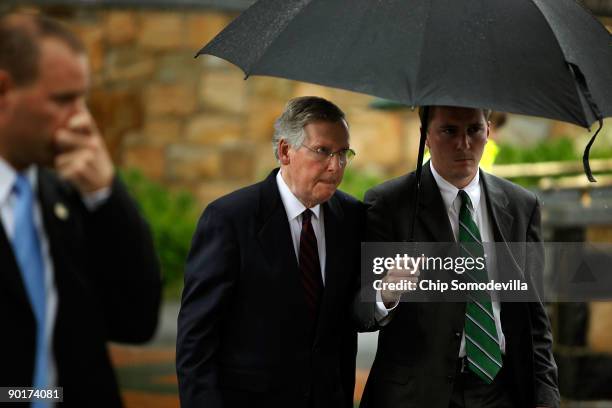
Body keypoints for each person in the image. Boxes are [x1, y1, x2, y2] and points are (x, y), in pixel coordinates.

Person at [0, 13, 161, 407]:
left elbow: (135, 320)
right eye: (63, 100)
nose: (82, 119)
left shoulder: (65, 195)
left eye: (82, 98)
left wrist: (106, 196)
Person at [356, 106, 559, 408]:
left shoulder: (521, 206)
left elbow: (535, 321)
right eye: (449, 131)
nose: (463, 143)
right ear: (425, 135)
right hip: (419, 394)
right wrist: (384, 294)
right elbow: (359, 311)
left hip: (502, 390)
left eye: (474, 130)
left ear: (488, 130)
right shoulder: (388, 204)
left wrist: (546, 398)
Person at [177, 96, 364, 408]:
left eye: (344, 153)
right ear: (285, 151)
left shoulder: (352, 217)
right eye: (323, 151)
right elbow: (196, 342)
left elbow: (348, 320)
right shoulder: (229, 220)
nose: (336, 165)